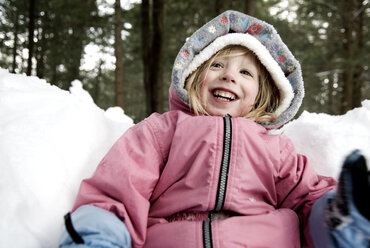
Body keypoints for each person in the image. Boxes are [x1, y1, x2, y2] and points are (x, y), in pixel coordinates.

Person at [59, 10, 369, 248]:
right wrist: (98, 235)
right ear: (194, 77)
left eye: (245, 72)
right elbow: (118, 192)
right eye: (217, 65)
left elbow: (306, 200)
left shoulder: (276, 149)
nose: (229, 77)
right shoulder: (161, 131)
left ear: (262, 95)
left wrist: (334, 214)